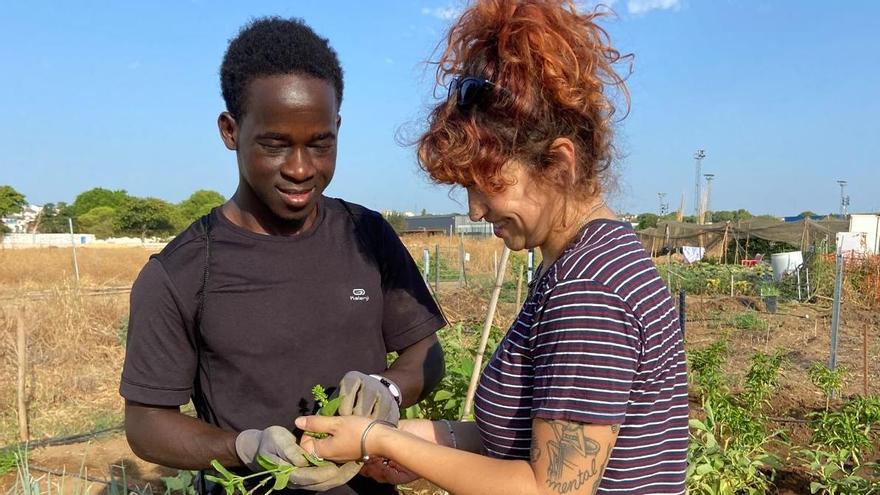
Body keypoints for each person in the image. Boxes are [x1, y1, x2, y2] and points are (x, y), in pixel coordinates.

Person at [295, 1, 688, 494]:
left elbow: (550, 490)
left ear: (559, 165)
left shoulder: (589, 290)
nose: (476, 210)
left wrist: (382, 439)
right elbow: (514, 441)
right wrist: (391, 438)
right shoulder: (583, 261)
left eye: (489, 185)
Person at [119, 17, 446, 495]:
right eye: (274, 145)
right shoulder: (181, 271)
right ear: (231, 131)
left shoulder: (367, 235)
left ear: (337, 128)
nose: (300, 168)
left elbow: (426, 352)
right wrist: (245, 447)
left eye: (320, 144)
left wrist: (391, 390)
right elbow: (146, 424)